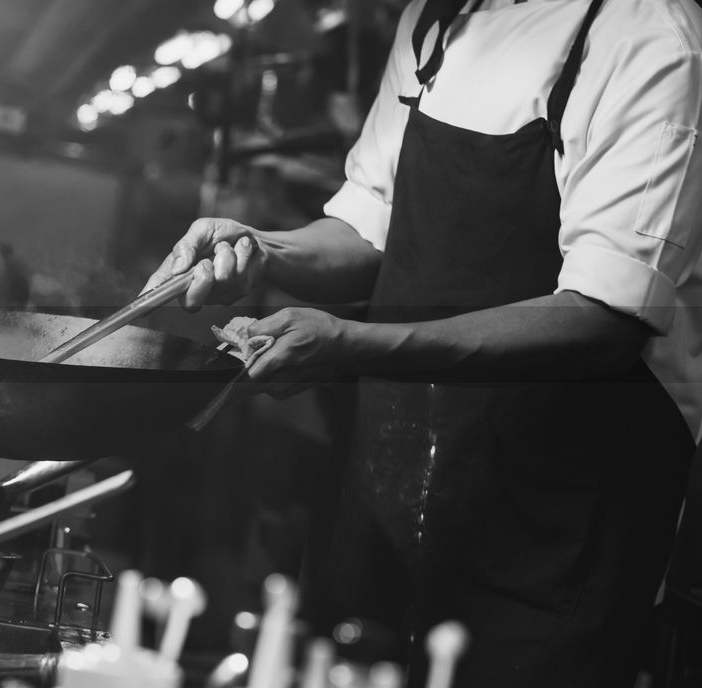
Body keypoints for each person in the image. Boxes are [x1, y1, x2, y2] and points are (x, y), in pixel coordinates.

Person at [143, 0, 702, 686]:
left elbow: (604, 318)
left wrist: (354, 343)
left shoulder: (644, 34)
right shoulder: (432, 21)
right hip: (391, 498)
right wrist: (261, 248)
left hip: (554, 535)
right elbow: (368, 221)